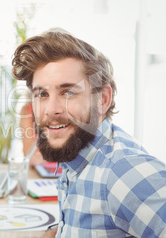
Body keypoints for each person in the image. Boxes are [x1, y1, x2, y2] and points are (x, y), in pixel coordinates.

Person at [12, 28, 166, 237]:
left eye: (68, 92)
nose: (51, 109)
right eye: (42, 94)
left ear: (102, 100)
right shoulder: (77, 161)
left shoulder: (123, 172)